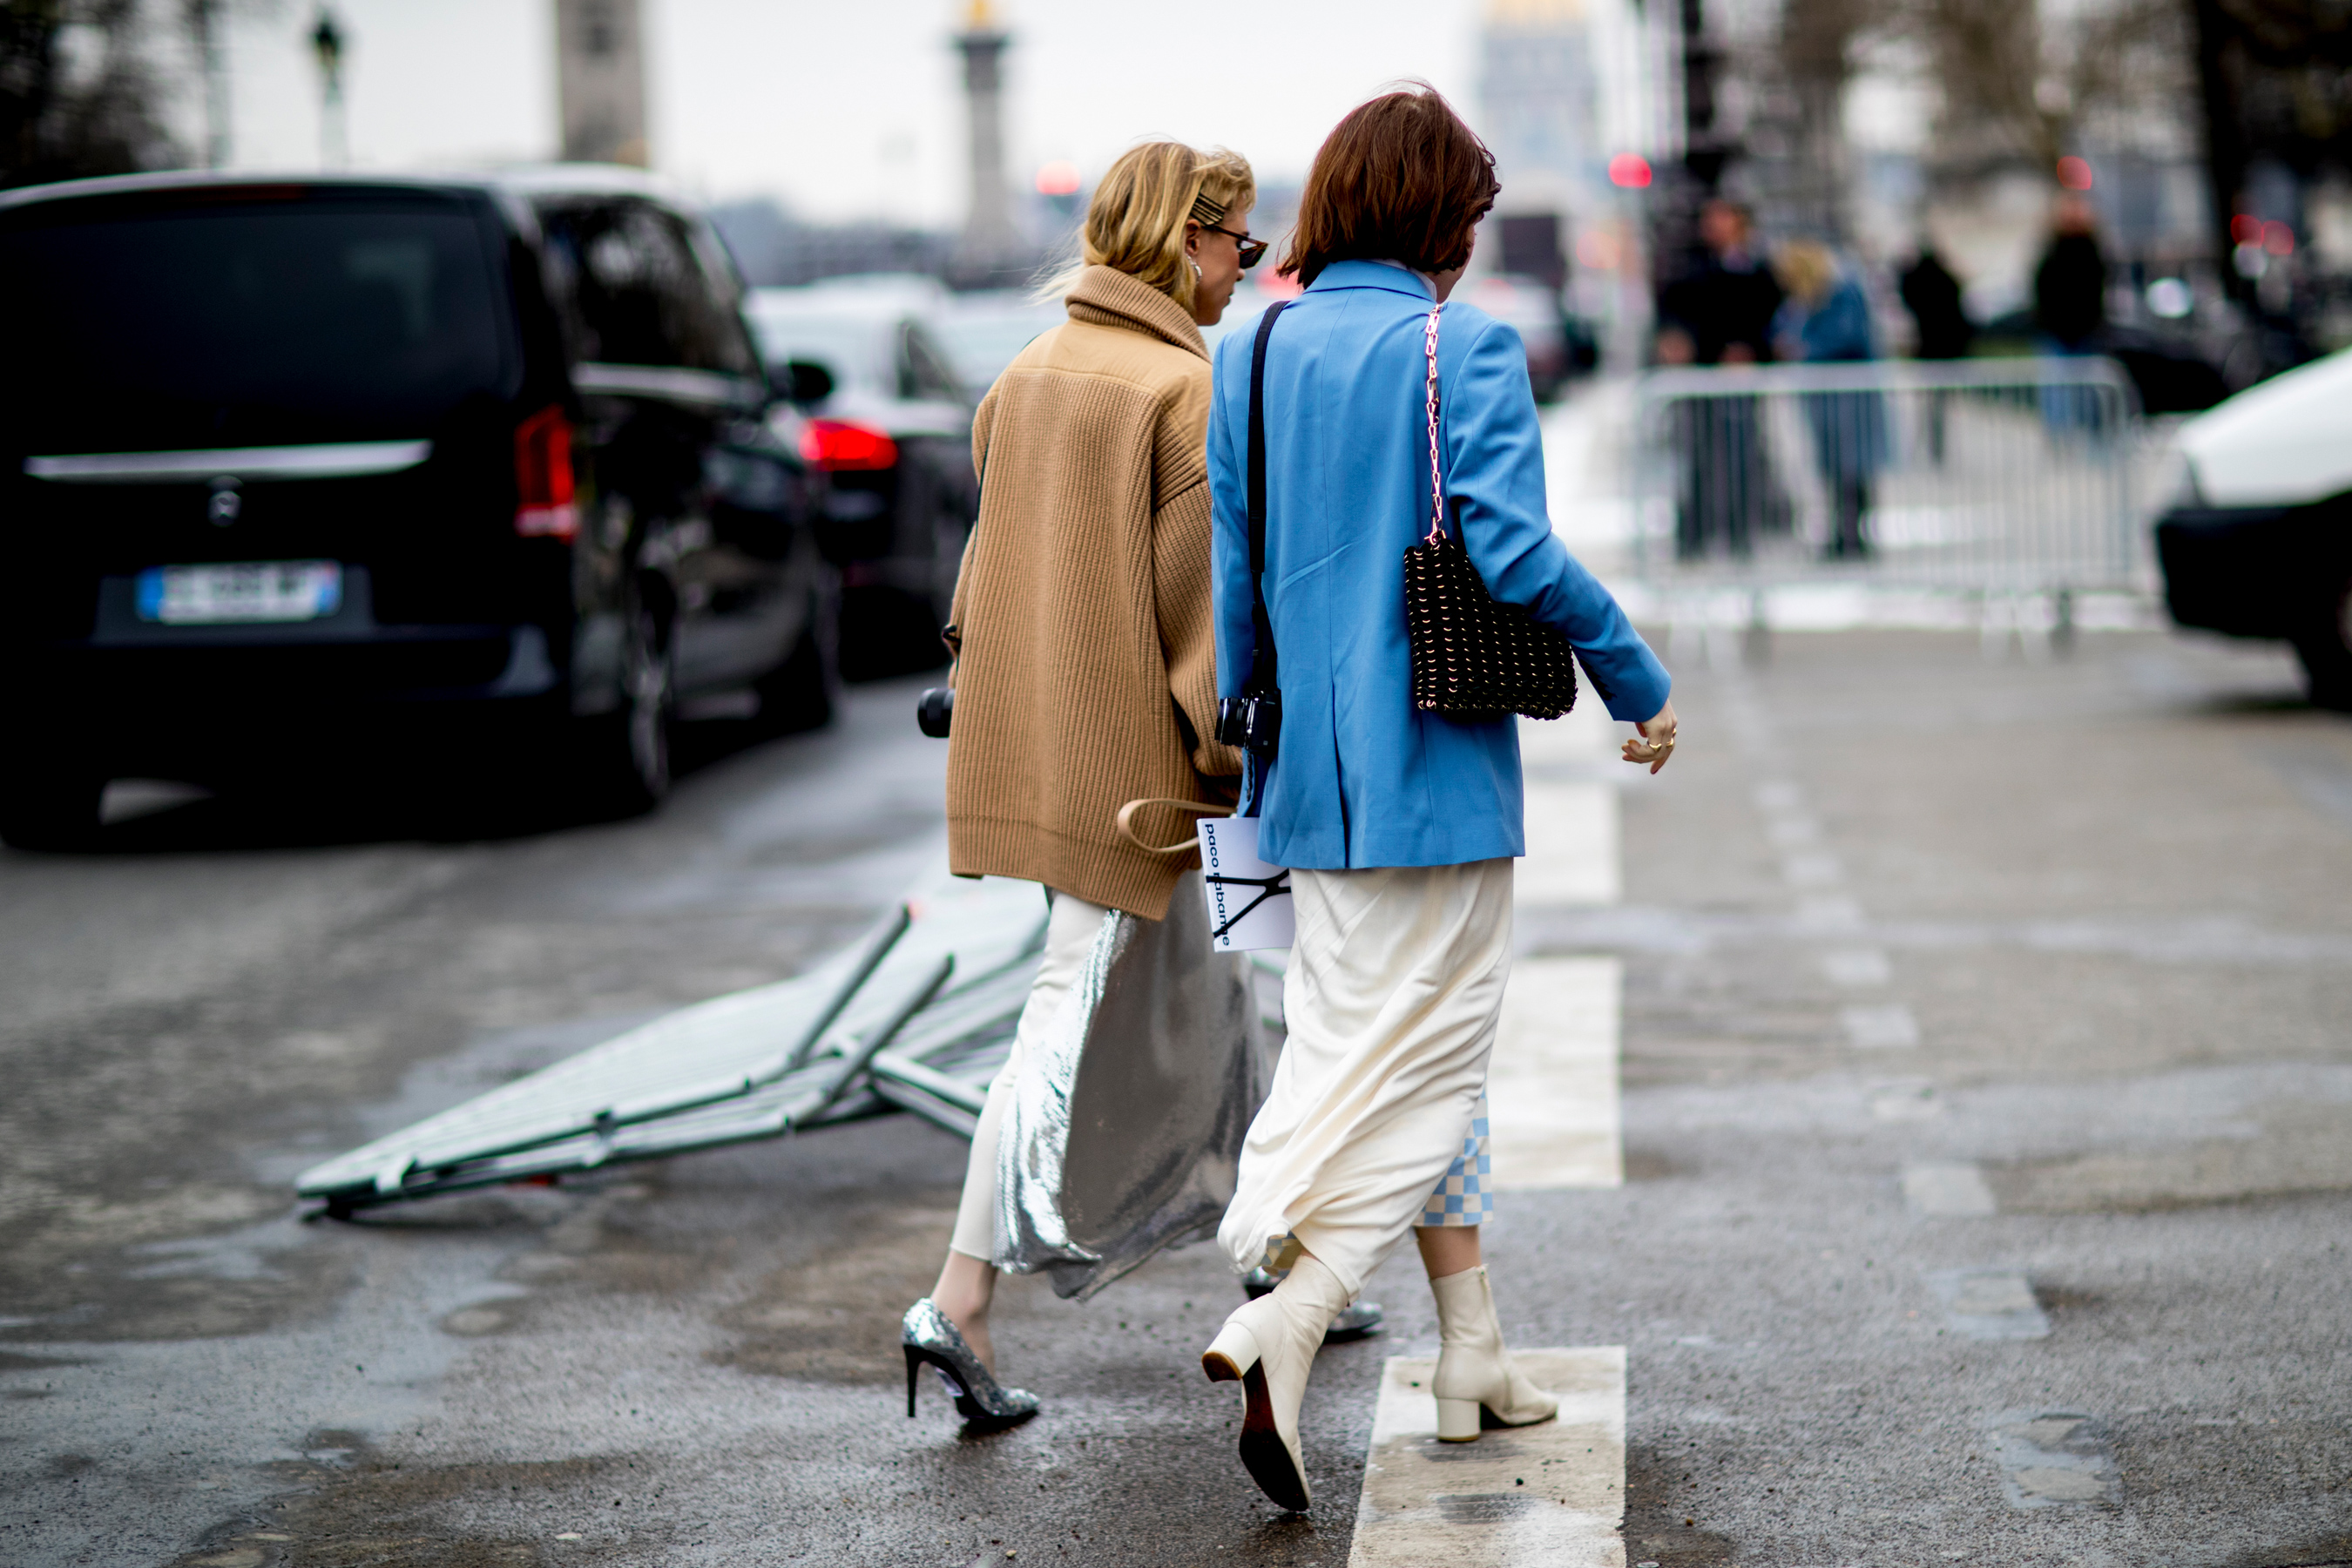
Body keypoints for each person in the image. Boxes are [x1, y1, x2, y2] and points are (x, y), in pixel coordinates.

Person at [1199, 85, 1677, 1513]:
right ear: (1439, 221)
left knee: (1382, 1053)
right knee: (1428, 1063)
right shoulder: (1462, 345)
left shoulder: (1252, 346)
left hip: (1309, 776)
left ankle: (1472, 1350)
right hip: (1438, 768)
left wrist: (1249, 739)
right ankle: (1287, 1308)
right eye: (1467, 217)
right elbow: (1513, 553)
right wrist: (1633, 674)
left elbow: (1236, 577)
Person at [899, 139, 1264, 1429]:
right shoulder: (1180, 388)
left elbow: (979, 576)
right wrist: (1231, 758)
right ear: (1188, 238)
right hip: (1135, 772)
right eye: (1239, 242)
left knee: (1220, 998)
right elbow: (1199, 621)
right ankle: (958, 1298)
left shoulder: (1031, 369)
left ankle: (1280, 1262)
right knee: (1065, 1019)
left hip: (1043, 744)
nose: (1245, 268)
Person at [1656, 199, 1785, 557]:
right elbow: (1675, 315)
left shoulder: (1758, 269)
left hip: (1742, 382)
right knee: (1699, 458)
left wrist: (1751, 352)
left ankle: (1741, 533)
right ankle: (1694, 536)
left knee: (1743, 458)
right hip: (1702, 379)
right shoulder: (1690, 268)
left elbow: (1771, 319)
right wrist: (1678, 341)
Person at [1774, 240, 1889, 559]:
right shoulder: (1805, 300)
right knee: (1834, 471)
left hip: (1851, 396)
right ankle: (1842, 533)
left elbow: (1848, 334)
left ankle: (1855, 535)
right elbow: (1783, 326)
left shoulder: (1843, 290)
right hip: (1825, 398)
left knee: (1854, 470)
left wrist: (1804, 349)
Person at [2033, 194, 2107, 435]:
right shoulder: (2053, 251)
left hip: (2085, 331)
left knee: (2087, 389)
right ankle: (2059, 436)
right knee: (2057, 391)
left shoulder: (2091, 251)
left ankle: (2087, 431)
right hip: (2058, 332)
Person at [1898, 246, 1972, 464]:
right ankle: (1936, 447)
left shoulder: (1919, 283)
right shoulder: (1947, 280)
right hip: (1945, 353)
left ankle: (1932, 447)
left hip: (1930, 352)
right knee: (1940, 405)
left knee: (1929, 405)